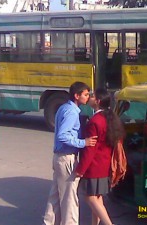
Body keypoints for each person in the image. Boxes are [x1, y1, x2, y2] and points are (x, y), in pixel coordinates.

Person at [42, 81, 98, 225]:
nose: (87, 97)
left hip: (60, 157)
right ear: (76, 95)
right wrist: (83, 142)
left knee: (55, 196)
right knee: (69, 199)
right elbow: (63, 135)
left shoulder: (63, 107)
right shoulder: (72, 112)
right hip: (66, 158)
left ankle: (49, 222)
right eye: (85, 95)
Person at [75, 88, 125, 225]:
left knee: (90, 198)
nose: (89, 98)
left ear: (97, 101)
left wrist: (80, 169)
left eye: (92, 96)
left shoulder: (95, 121)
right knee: (98, 198)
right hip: (105, 164)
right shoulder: (111, 118)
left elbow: (90, 149)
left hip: (94, 167)